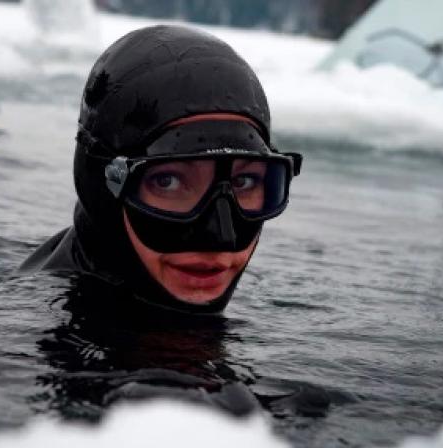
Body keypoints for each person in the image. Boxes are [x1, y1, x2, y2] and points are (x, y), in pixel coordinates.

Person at [18, 25, 301, 315]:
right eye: (168, 181)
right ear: (101, 188)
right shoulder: (20, 339)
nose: (221, 235)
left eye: (244, 181)